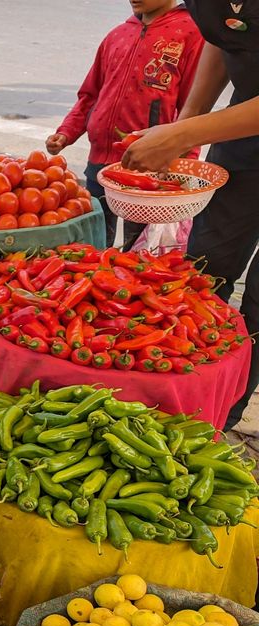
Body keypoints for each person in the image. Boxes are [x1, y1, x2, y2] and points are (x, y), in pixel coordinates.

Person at [122, 0, 259, 429]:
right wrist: (188, 121)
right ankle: (179, 399)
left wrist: (184, 132)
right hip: (240, 138)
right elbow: (227, 36)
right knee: (205, 271)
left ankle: (219, 418)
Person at [46, 0, 203, 248]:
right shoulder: (117, 35)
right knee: (93, 242)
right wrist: (67, 132)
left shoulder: (191, 35)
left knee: (138, 248)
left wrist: (183, 161)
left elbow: (193, 108)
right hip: (100, 162)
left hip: (148, 166)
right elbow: (90, 95)